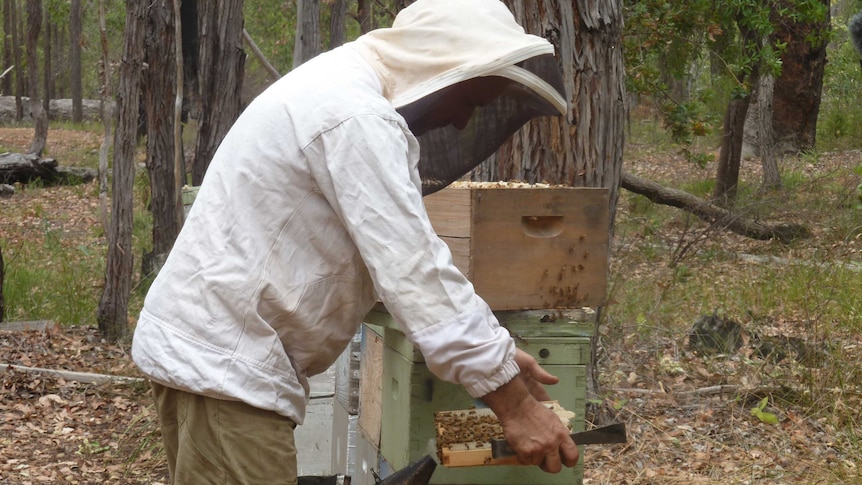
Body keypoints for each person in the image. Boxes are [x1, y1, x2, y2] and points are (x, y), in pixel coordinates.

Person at [131, 0, 579, 483]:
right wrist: (514, 405)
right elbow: (415, 271)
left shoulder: (342, 91)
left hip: (220, 363)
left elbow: (385, 264)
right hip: (226, 371)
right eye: (469, 101)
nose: (463, 122)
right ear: (442, 70)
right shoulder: (356, 117)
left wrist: (493, 355)